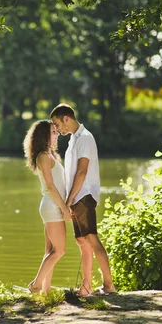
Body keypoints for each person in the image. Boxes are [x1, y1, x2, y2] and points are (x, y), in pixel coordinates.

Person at [50, 104, 116, 297]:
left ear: (66, 118)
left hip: (84, 196)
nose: (57, 129)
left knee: (91, 238)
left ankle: (109, 285)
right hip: (76, 197)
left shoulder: (85, 138)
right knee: (81, 240)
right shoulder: (73, 140)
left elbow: (82, 171)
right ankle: (86, 287)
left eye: (57, 123)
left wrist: (69, 199)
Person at [23, 119, 73, 295]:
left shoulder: (49, 155)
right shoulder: (43, 156)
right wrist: (65, 209)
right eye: (53, 131)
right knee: (59, 250)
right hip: (53, 206)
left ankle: (46, 291)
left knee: (50, 251)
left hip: (52, 206)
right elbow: (51, 187)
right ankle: (36, 285)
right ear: (44, 135)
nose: (57, 133)